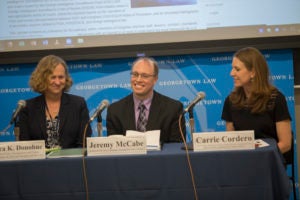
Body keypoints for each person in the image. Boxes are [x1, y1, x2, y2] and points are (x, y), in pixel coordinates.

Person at [221, 47, 292, 154]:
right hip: (242, 162)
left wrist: (258, 157)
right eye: (232, 68)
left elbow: (285, 144)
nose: (232, 73)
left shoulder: (276, 99)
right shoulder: (231, 101)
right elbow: (231, 143)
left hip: (268, 162)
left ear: (253, 72)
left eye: (237, 69)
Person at [106, 57, 186, 143]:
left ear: (155, 79)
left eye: (144, 76)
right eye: (135, 74)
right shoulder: (115, 111)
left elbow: (176, 148)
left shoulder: (173, 109)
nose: (138, 79)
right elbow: (114, 149)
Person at [18, 55, 92, 148]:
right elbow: (25, 145)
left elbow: (83, 143)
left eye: (61, 77)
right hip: (38, 162)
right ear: (42, 78)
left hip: (71, 161)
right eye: (53, 77)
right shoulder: (27, 108)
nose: (57, 82)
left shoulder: (78, 104)